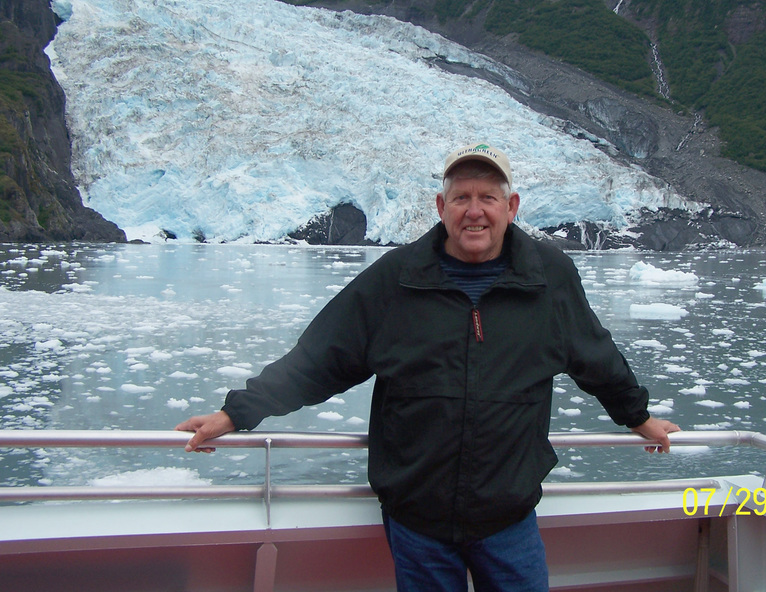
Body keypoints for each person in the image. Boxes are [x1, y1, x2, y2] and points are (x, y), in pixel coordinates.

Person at [177, 142, 680, 592]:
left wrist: (639, 418)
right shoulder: (397, 279)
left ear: (511, 207)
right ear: (441, 208)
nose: (474, 211)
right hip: (418, 518)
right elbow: (320, 359)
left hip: (508, 515)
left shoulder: (549, 278)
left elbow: (597, 359)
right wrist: (235, 413)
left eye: (488, 197)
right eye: (461, 197)